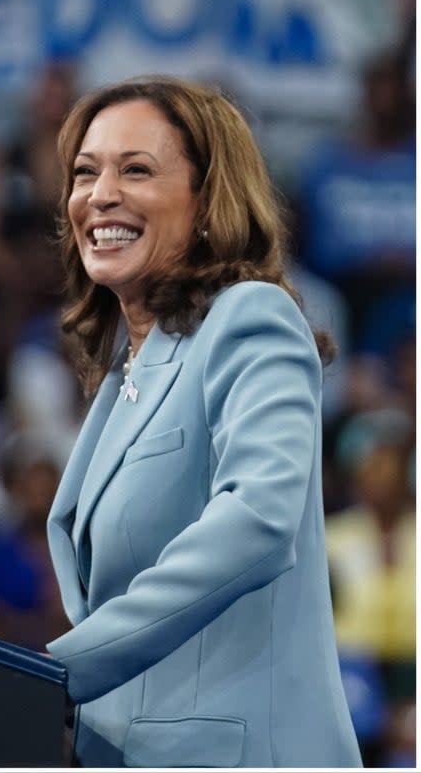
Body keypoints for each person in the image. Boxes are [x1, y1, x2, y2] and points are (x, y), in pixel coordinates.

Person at [43, 76, 361, 767]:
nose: (100, 195)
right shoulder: (127, 369)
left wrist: (62, 672)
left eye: (136, 169)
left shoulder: (249, 317)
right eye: (85, 173)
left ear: (209, 203)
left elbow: (259, 517)